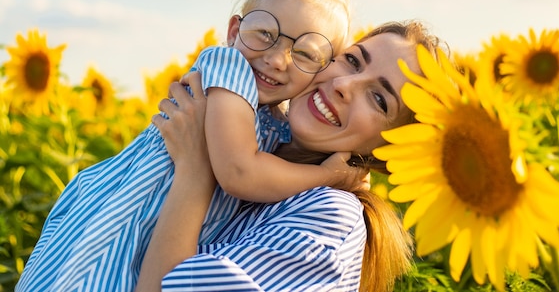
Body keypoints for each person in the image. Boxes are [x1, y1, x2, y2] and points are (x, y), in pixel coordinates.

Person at [16, 0, 362, 292]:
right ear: (234, 30)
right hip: (121, 228)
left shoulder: (276, 124)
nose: (275, 59)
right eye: (264, 33)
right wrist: (329, 175)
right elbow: (239, 172)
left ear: (323, 69)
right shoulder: (227, 71)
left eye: (304, 53)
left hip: (156, 239)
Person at [136, 21, 447, 292]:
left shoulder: (332, 218)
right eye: (352, 60)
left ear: (388, 152)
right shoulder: (250, 143)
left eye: (379, 99)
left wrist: (195, 170)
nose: (343, 85)